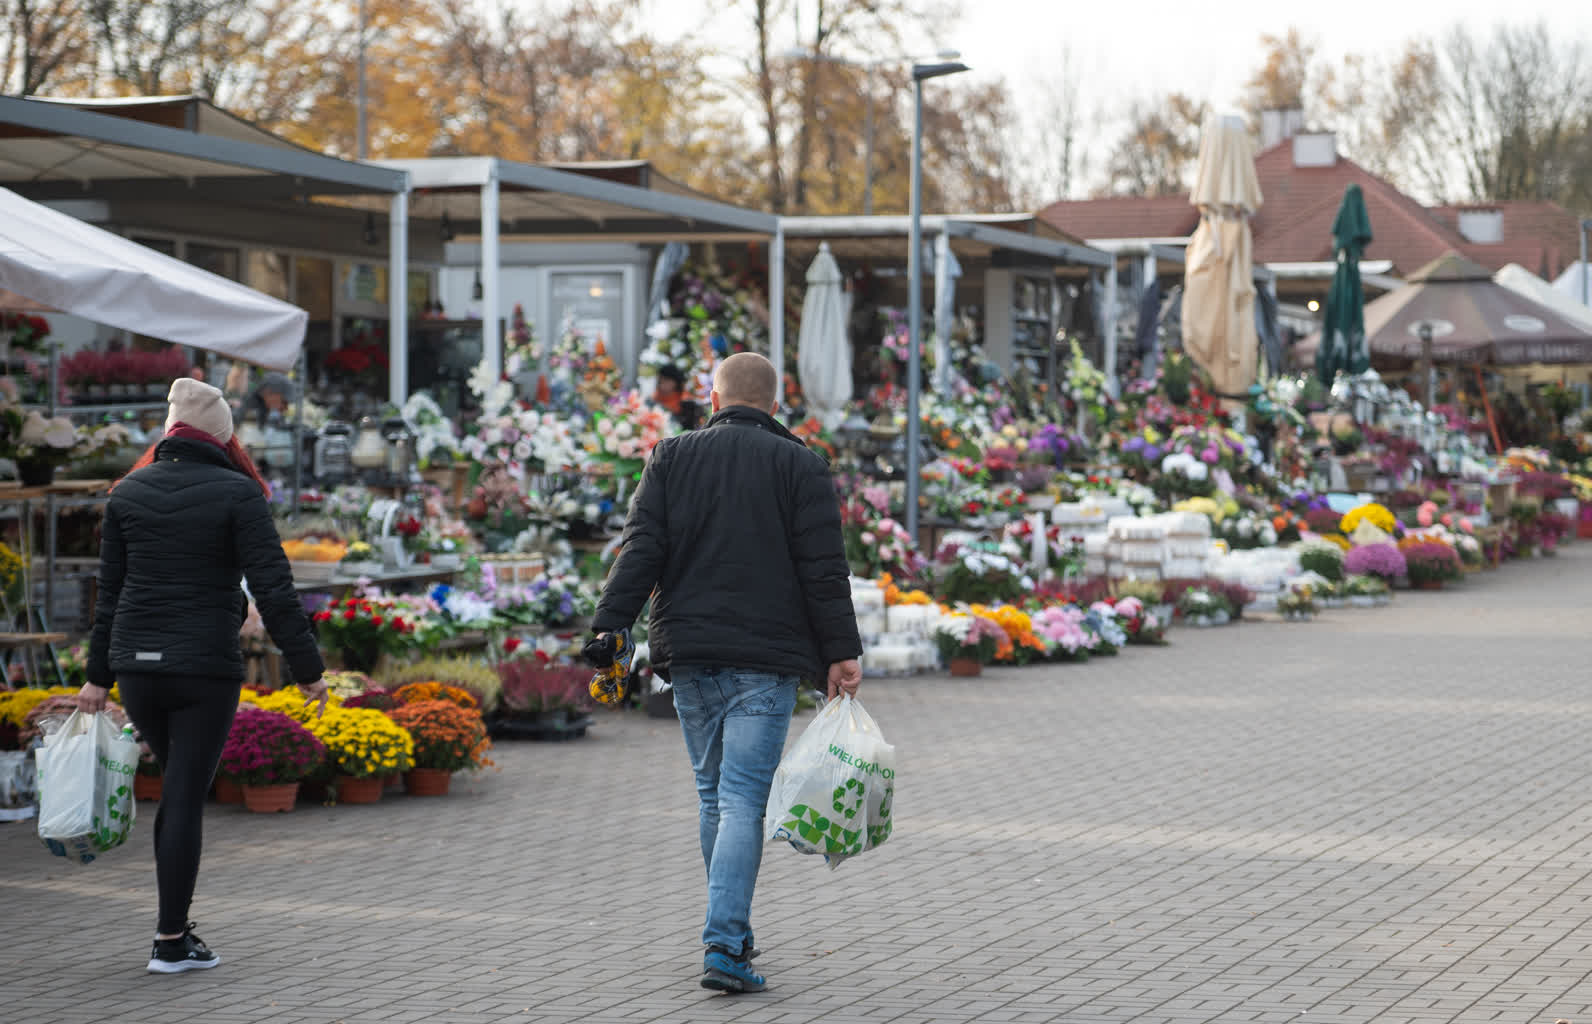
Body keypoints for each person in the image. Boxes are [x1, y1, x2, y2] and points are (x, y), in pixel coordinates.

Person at [590, 352, 861, 994]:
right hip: (766, 661)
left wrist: (609, 625)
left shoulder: (670, 457)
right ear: (774, 405)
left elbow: (641, 549)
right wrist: (841, 652)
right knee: (742, 799)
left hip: (689, 655)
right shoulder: (801, 465)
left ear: (713, 402)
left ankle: (730, 932)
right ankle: (725, 944)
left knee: (714, 796)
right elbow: (824, 570)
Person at [77, 377, 328, 975]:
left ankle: (174, 932)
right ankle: (170, 940)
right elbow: (274, 588)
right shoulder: (240, 493)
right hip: (204, 668)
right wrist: (308, 670)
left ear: (169, 432)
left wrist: (97, 678)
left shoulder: (127, 493)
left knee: (177, 789)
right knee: (185, 793)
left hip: (137, 666)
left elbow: (109, 596)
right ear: (223, 438)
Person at [654, 363, 702, 430]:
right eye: (660, 379)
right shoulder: (652, 403)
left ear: (676, 383)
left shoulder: (689, 404)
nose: (662, 383)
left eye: (667, 380)